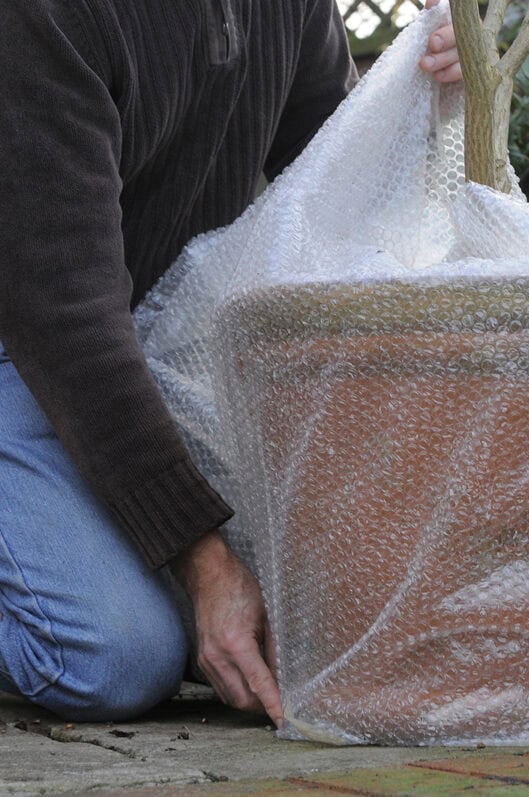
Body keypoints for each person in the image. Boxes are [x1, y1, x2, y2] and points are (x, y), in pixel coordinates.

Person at [0, 0, 461, 728]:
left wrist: (424, 104)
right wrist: (206, 565)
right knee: (111, 655)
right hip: (30, 340)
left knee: (316, 609)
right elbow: (66, 316)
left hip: (138, 343)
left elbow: (340, 175)